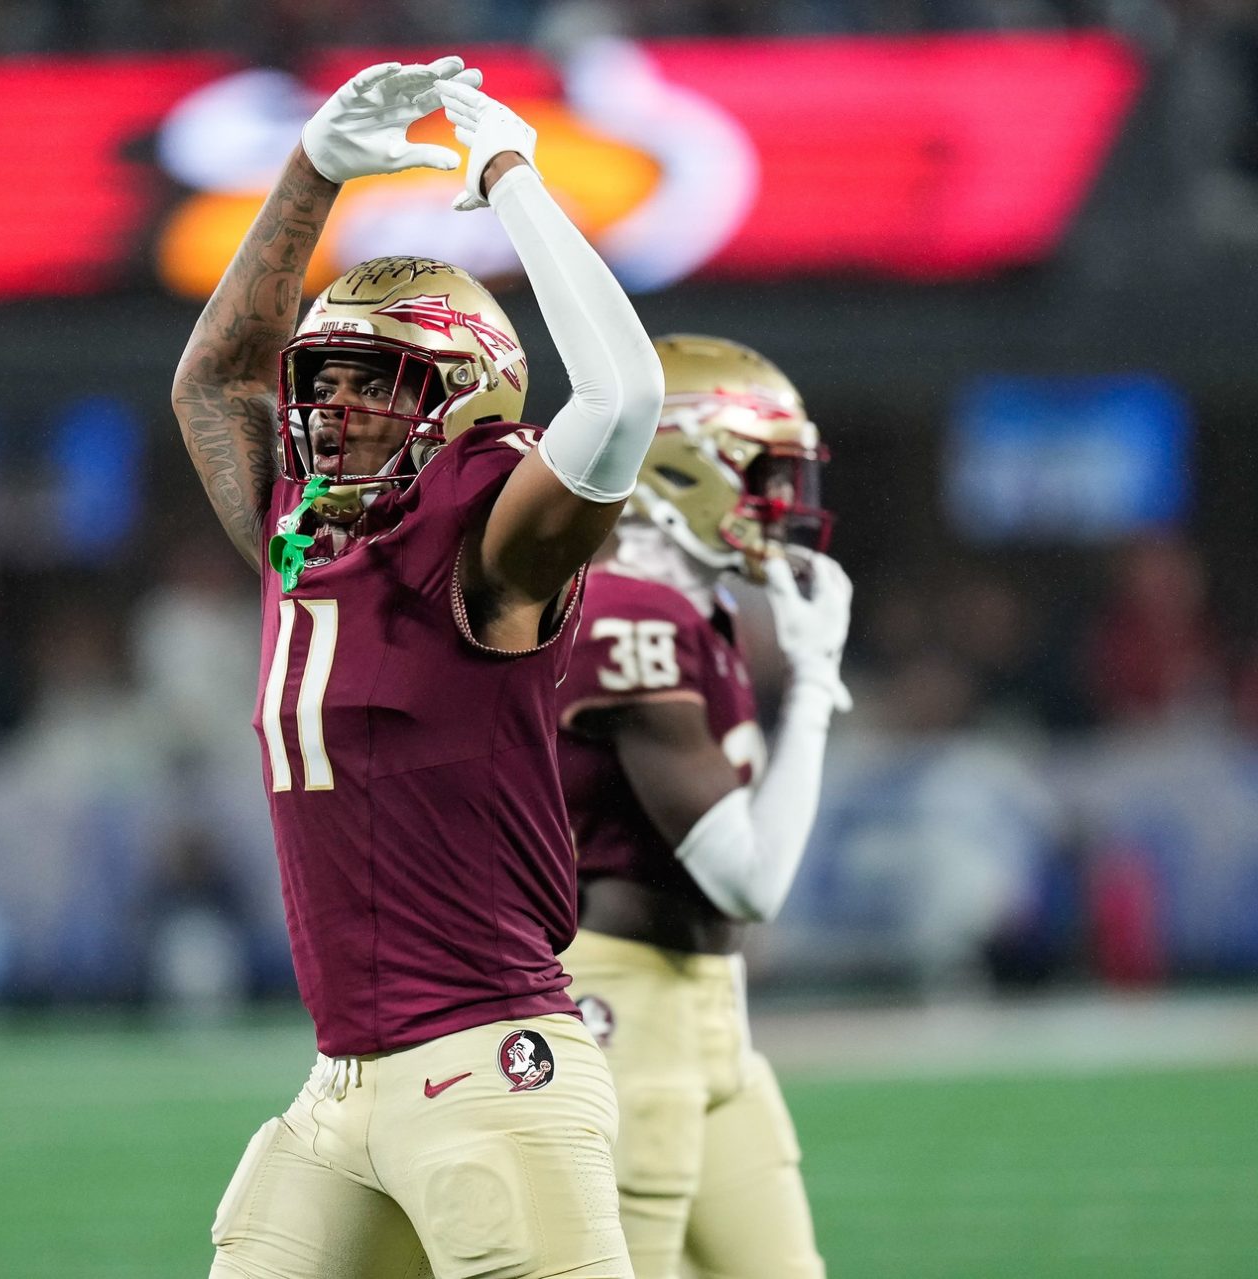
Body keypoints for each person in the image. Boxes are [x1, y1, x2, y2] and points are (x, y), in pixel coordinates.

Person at [170, 56, 664, 1279]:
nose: (331, 412)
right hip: (342, 1089)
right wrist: (311, 174)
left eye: (373, 385)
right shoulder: (305, 538)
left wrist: (510, 177)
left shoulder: (488, 544)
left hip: (493, 1071)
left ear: (459, 402)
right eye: (321, 384)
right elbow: (213, 382)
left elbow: (625, 393)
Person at [554, 335, 851, 1279]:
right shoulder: (623, 612)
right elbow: (750, 879)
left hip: (709, 1009)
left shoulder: (694, 610)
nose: (779, 502)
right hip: (620, 1010)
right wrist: (813, 682)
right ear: (678, 465)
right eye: (758, 472)